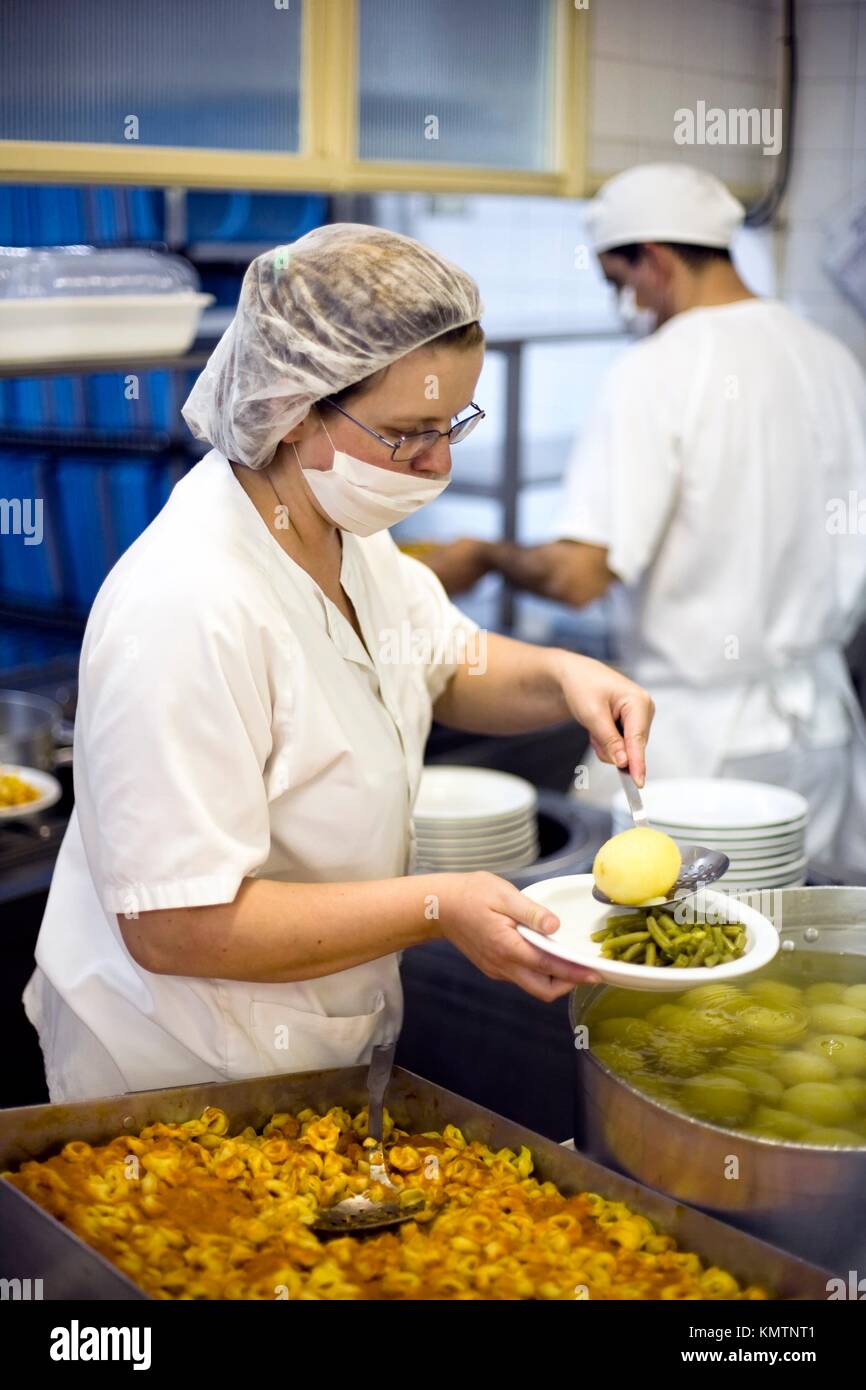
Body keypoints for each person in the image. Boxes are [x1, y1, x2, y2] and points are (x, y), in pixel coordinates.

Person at [23, 224, 654, 1104]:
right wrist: (438, 905)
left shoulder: (345, 534)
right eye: (406, 434)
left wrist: (561, 678)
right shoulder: (187, 604)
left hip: (315, 1042)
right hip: (177, 1075)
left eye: (452, 426)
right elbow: (174, 925)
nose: (436, 465)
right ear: (291, 408)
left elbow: (437, 662)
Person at [424, 165, 866, 865]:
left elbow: (579, 577)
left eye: (616, 280)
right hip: (820, 731)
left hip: (696, 744)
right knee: (801, 947)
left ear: (653, 260)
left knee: (671, 949)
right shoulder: (832, 357)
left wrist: (483, 555)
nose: (623, 301)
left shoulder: (657, 370)